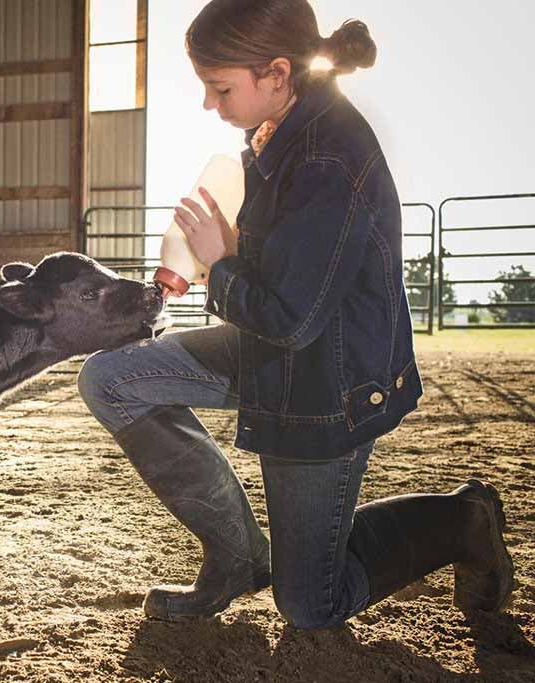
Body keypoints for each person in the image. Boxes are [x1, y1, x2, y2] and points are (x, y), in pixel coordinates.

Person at [77, 0, 513, 629]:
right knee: (111, 378)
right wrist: (221, 247)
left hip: (325, 381)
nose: (209, 104)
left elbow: (292, 318)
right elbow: (284, 278)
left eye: (219, 88)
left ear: (278, 73)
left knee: (309, 604)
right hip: (270, 349)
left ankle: (463, 520)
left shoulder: (325, 155)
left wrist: (219, 264)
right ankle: (236, 559)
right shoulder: (274, 130)